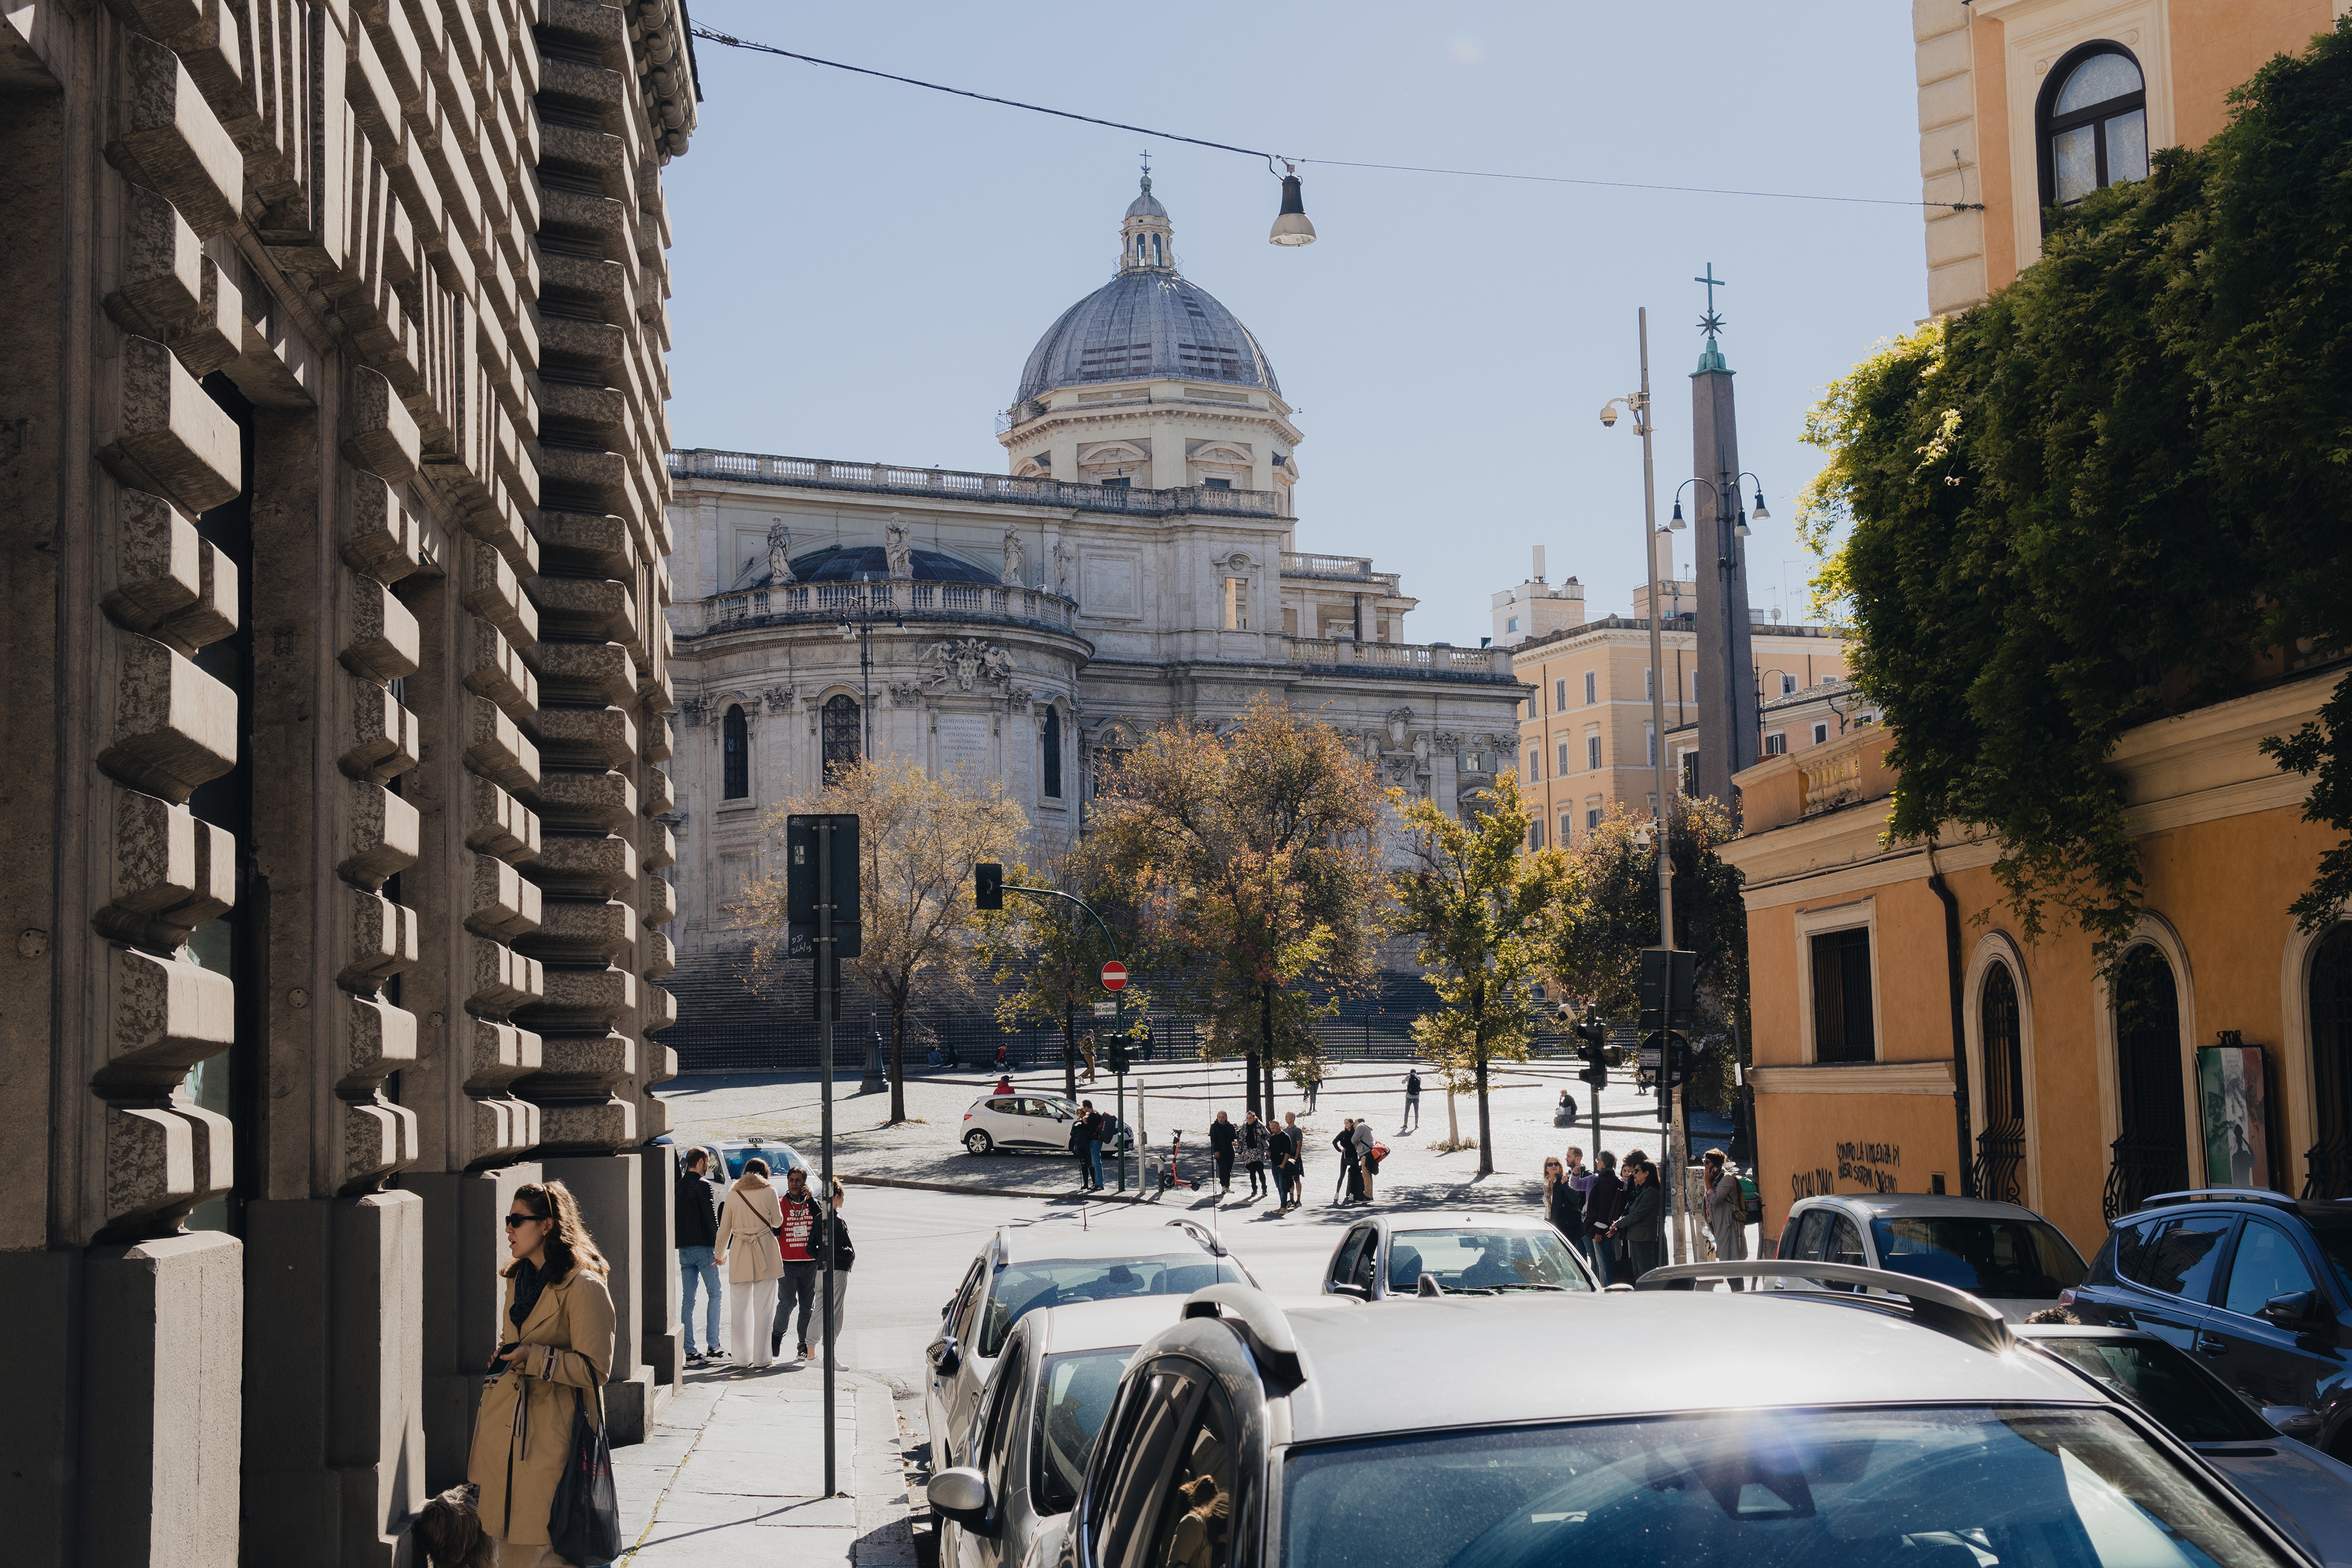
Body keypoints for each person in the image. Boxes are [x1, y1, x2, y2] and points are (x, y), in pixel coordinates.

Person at [469, 1180, 616, 1563]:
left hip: (553, 1435)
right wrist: (505, 1357)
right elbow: (513, 1340)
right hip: (506, 1428)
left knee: (545, 1545)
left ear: (547, 1225)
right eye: (508, 1219)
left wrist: (533, 1357)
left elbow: (596, 1368)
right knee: (508, 1545)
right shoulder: (517, 1280)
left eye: (518, 1220)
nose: (509, 1228)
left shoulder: (584, 1285)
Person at [714, 1156, 783, 1370]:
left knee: (739, 1308)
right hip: (765, 1250)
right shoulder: (769, 1191)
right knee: (764, 1308)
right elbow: (777, 1222)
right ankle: (762, 1358)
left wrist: (719, 1255)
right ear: (765, 1174)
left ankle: (742, 1358)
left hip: (741, 1250)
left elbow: (724, 1228)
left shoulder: (734, 1193)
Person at [772, 1164, 830, 1362]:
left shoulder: (812, 1203)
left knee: (807, 1307)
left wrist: (811, 1199)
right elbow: (774, 1228)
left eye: (798, 1180)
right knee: (787, 1303)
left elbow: (822, 1222)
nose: (794, 1184)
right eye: (791, 1180)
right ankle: (777, 1335)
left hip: (809, 1263)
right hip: (787, 1263)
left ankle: (803, 1345)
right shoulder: (781, 1203)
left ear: (805, 1183)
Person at [674, 1148, 724, 1366]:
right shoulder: (703, 1185)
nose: (708, 1166)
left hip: (684, 1249)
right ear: (702, 1162)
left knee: (688, 1300)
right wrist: (719, 1250)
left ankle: (690, 1352)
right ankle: (714, 1347)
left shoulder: (678, 1186)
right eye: (708, 1162)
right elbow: (711, 1219)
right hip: (703, 1248)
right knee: (715, 1294)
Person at [1702, 1148, 1749, 1289]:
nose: (1705, 1165)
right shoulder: (1715, 1179)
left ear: (1716, 1166)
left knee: (1733, 1264)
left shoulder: (1727, 1179)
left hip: (1730, 1227)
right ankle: (1736, 1291)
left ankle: (1739, 1292)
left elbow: (1715, 1199)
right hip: (1719, 1227)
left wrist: (1707, 1183)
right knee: (1726, 1263)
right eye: (1704, 1162)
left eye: (1707, 1162)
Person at [1615, 1159, 1666, 1281]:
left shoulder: (1652, 1192)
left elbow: (1637, 1215)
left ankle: (1652, 1290)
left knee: (1646, 1272)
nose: (1633, 1173)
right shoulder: (1640, 1190)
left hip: (1643, 1237)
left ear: (1646, 1173)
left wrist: (1618, 1224)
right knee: (1638, 1273)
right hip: (1635, 1236)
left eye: (1636, 1171)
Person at [1581, 1152, 1624, 1286]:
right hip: (1606, 1226)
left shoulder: (1606, 1180)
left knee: (1606, 1264)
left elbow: (1605, 1206)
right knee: (1606, 1262)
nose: (1597, 1163)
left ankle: (1609, 1288)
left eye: (1598, 1160)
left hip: (1603, 1228)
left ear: (1603, 1163)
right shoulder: (1609, 1179)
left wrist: (1599, 1230)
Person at [823, 1177, 854, 1343]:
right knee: (837, 1308)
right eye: (842, 1196)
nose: (843, 1199)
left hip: (825, 1267)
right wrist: (849, 1253)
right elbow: (835, 1248)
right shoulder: (836, 1220)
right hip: (838, 1268)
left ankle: (823, 1343)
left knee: (824, 1306)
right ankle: (830, 1343)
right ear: (836, 1196)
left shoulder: (822, 1217)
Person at [1541, 1156, 1584, 1250]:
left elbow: (1576, 1200)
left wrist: (1565, 1185)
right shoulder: (1546, 1185)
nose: (1553, 1166)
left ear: (1560, 1167)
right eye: (1550, 1164)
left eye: (1556, 1164)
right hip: (1549, 1222)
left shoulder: (1564, 1180)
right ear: (1546, 1169)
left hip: (1564, 1225)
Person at [1264, 1117, 1294, 1212]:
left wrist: (1283, 1164)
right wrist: (1269, 1153)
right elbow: (1271, 1149)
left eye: (1274, 1128)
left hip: (1282, 1166)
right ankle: (1282, 1206)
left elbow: (1288, 1152)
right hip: (1274, 1165)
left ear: (1279, 1126)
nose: (1272, 1130)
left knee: (1283, 1187)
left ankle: (1284, 1207)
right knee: (1278, 1187)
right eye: (1271, 1128)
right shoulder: (1272, 1138)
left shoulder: (1285, 1137)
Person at [1070, 1101, 1101, 1191]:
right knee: (1083, 1164)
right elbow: (1073, 1133)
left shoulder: (1087, 1120)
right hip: (1080, 1146)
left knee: (1091, 1165)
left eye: (1081, 1113)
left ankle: (1095, 1183)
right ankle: (1086, 1184)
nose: (1080, 1115)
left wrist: (1085, 1124)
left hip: (1087, 1145)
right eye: (1078, 1113)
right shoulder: (1077, 1123)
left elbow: (1090, 1131)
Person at [1333, 1118, 1363, 1204]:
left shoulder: (1355, 1133)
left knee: (1353, 1175)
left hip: (1354, 1155)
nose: (1346, 1125)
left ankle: (1351, 1194)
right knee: (1342, 1175)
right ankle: (1337, 1193)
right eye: (1345, 1123)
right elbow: (1334, 1142)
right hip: (1345, 1155)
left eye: (1347, 1123)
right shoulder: (1343, 1133)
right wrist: (1340, 1150)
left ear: (1352, 1123)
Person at [1239, 1112, 1268, 1199]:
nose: (1249, 1120)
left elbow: (1268, 1135)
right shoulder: (1244, 1127)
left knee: (1260, 1170)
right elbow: (1241, 1140)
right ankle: (1254, 1189)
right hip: (1248, 1152)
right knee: (1252, 1172)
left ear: (1254, 1118)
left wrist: (1261, 1133)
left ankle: (1264, 1188)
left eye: (1250, 1118)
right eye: (1247, 1118)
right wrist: (1240, 1153)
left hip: (1258, 1151)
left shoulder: (1259, 1125)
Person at [1283, 1111, 1308, 1208]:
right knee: (1289, 1179)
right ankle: (1291, 1199)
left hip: (1295, 1157)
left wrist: (1296, 1157)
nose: (1286, 1118)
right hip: (1287, 1157)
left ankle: (1298, 1200)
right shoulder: (1285, 1130)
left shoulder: (1297, 1130)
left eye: (1288, 1117)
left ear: (1293, 1118)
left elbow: (1299, 1144)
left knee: (1297, 1179)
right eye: (1285, 1117)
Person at [1208, 1110, 1237, 1195]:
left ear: (1226, 1118)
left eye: (1222, 1117)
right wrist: (1216, 1150)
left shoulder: (1230, 1127)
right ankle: (1224, 1185)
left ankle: (1227, 1186)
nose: (1221, 1119)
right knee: (1223, 1168)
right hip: (1220, 1152)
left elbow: (1234, 1137)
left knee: (1228, 1169)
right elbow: (1213, 1140)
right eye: (1219, 1117)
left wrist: (1235, 1141)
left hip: (1229, 1151)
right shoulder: (1214, 1127)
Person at [1352, 1117, 1378, 1202]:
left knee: (1366, 1175)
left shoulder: (1360, 1127)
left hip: (1365, 1154)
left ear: (1357, 1121)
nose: (1354, 1125)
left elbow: (1353, 1140)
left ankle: (1367, 1196)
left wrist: (1357, 1141)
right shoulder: (1365, 1127)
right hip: (1369, 1153)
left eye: (1354, 1122)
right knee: (1369, 1175)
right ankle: (1370, 1195)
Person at [1403, 1068, 1422, 1132]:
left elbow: (1403, 1082)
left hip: (1409, 1096)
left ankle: (1405, 1124)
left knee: (1407, 1110)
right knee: (1416, 1111)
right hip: (1417, 1096)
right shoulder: (1419, 1078)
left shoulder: (1408, 1077)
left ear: (1410, 1072)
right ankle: (1416, 1124)